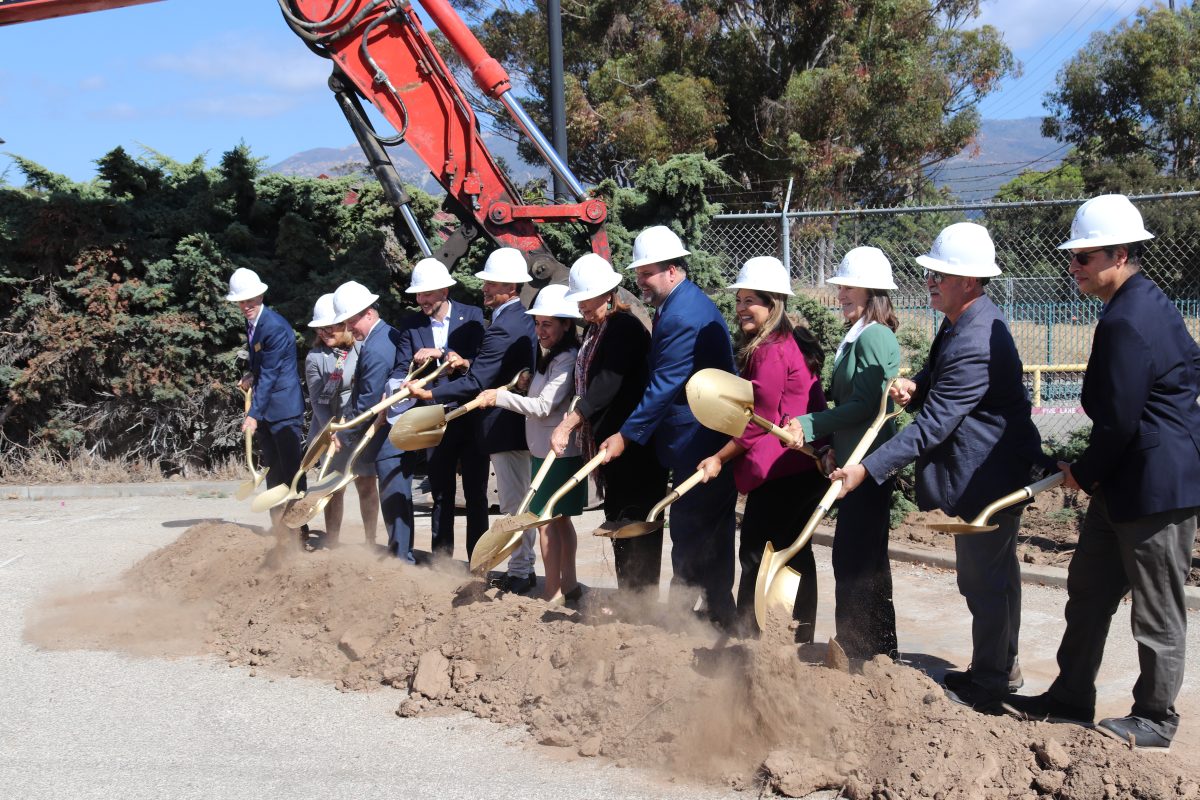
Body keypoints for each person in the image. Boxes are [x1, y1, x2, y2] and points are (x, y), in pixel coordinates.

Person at [830, 222, 1053, 714]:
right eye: (931, 272)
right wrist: (917, 383)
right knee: (995, 575)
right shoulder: (962, 322)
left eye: (940, 274)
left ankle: (992, 682)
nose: (930, 280)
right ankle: (1002, 667)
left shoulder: (974, 337)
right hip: (988, 467)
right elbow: (939, 380)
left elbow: (932, 427)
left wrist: (867, 469)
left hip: (990, 474)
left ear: (969, 281)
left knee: (983, 579)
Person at [1004, 194, 1200, 750]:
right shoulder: (1144, 302)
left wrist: (1082, 474)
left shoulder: (1129, 318)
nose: (1074, 267)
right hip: (1125, 481)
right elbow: (1190, 364)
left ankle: (1156, 719)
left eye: (1084, 258)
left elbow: (1118, 423)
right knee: (1088, 590)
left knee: (1157, 609)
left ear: (1119, 254)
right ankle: (1070, 696)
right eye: (1074, 257)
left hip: (1155, 488)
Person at [599, 225, 739, 630]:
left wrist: (626, 435)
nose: (640, 281)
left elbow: (665, 384)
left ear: (673, 270)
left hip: (701, 437)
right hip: (698, 434)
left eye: (648, 273)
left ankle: (687, 620)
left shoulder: (681, 315)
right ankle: (713, 615)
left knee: (693, 528)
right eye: (639, 273)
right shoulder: (678, 304)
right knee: (703, 529)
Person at [695, 256, 828, 640]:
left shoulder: (770, 350)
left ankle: (753, 638)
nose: (740, 309)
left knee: (758, 553)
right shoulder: (788, 342)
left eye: (750, 300)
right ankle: (795, 638)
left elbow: (759, 420)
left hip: (782, 472)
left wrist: (719, 458)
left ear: (773, 304)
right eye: (738, 300)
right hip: (798, 470)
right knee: (793, 554)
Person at [783, 246, 902, 659]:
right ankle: (872, 648)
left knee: (859, 560)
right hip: (852, 465)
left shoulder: (876, 336)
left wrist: (812, 425)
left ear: (872, 292)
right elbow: (853, 406)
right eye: (841, 287)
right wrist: (833, 445)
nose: (841, 294)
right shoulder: (859, 335)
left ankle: (866, 649)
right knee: (857, 558)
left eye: (849, 287)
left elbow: (868, 406)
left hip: (869, 468)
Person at [406, 248, 537, 590]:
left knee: (511, 504)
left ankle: (520, 572)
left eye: (491, 284)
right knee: (513, 500)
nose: (484, 289)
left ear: (510, 287)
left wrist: (430, 395)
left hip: (500, 427)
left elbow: (478, 381)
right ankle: (517, 568)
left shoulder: (499, 327)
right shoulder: (522, 318)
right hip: (508, 426)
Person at [551, 253, 668, 594]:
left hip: (635, 447)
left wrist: (570, 422)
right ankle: (628, 599)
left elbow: (606, 384)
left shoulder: (623, 329)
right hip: (612, 447)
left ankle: (640, 602)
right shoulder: (597, 328)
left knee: (636, 524)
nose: (582, 307)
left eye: (585, 300)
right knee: (618, 522)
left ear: (607, 294)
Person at [478, 284, 584, 603]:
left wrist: (501, 397)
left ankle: (552, 592)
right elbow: (540, 396)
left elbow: (543, 407)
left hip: (557, 454)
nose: (540, 331)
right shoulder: (551, 357)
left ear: (567, 324)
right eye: (537, 323)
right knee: (559, 520)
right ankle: (570, 584)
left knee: (545, 523)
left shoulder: (566, 358)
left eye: (547, 324)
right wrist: (523, 384)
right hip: (545, 451)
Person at [397, 258, 486, 559]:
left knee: (476, 494)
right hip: (433, 418)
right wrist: (400, 385)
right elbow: (401, 368)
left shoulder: (473, 317)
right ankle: (441, 563)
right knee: (441, 495)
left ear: (445, 291)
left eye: (427, 294)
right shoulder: (410, 325)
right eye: (418, 295)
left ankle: (479, 562)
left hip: (470, 415)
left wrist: (444, 354)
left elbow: (482, 363)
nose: (421, 300)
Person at [330, 280, 416, 562]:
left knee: (394, 497)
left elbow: (368, 400)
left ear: (368, 312)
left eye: (351, 321)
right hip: (389, 432)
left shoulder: (377, 347)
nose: (348, 329)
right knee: (394, 496)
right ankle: (399, 554)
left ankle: (401, 559)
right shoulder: (382, 337)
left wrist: (344, 432)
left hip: (389, 436)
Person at [229, 267, 306, 533]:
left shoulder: (272, 326)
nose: (246, 305)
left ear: (261, 295)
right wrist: (251, 373)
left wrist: (253, 414)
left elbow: (272, 374)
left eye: (250, 299)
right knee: (272, 470)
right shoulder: (254, 323)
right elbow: (263, 367)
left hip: (283, 409)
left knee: (291, 471)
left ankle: (298, 531)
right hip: (267, 408)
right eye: (241, 301)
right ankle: (279, 528)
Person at [303, 292, 379, 548]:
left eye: (330, 327)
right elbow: (317, 400)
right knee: (333, 489)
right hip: (329, 429)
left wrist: (351, 426)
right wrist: (331, 433)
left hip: (358, 426)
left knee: (366, 483)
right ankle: (332, 541)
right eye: (320, 329)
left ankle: (371, 541)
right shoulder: (315, 358)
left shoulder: (362, 348)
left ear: (345, 324)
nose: (324, 333)